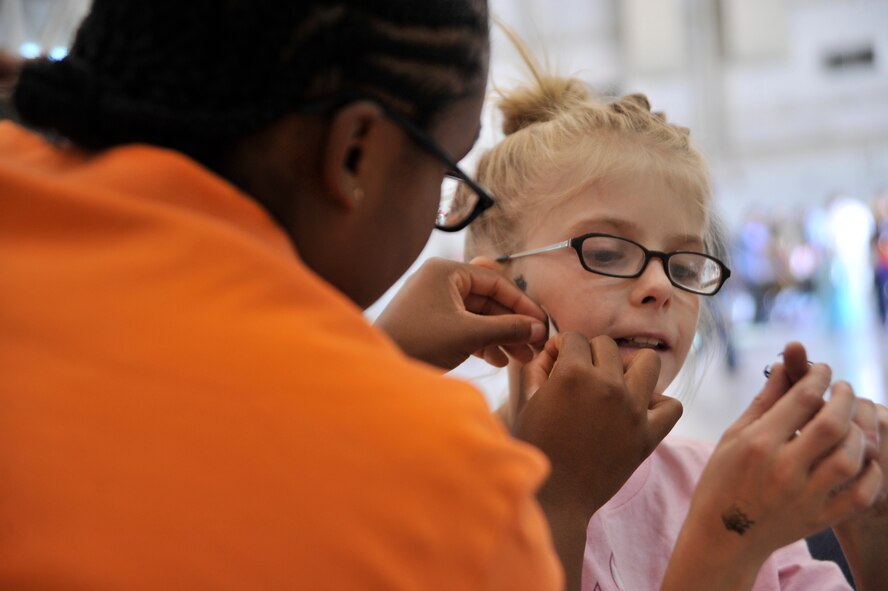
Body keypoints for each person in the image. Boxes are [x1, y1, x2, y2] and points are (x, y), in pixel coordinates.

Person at [0, 1, 665, 588]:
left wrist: (380, 355)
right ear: (354, 154)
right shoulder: (441, 487)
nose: (656, 287)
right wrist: (560, 502)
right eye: (444, 171)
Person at [457, 59, 888, 590]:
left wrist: (876, 549)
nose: (662, 286)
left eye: (685, 266)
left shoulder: (724, 481)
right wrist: (726, 540)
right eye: (609, 253)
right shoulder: (444, 492)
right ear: (496, 292)